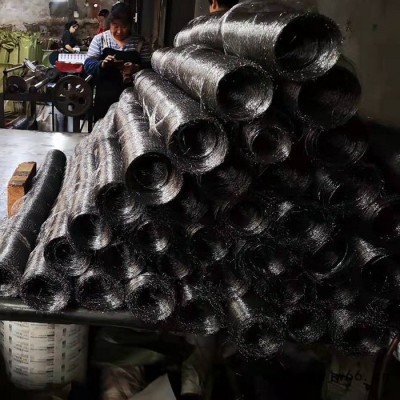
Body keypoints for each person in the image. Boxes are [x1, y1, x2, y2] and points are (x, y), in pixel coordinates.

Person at [84, 3, 152, 121]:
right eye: (115, 26)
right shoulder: (100, 39)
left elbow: (150, 69)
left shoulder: (140, 42)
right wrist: (102, 64)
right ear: (109, 24)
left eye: (124, 26)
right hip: (104, 99)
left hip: (132, 101)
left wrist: (136, 68)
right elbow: (88, 65)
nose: (119, 31)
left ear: (130, 25)